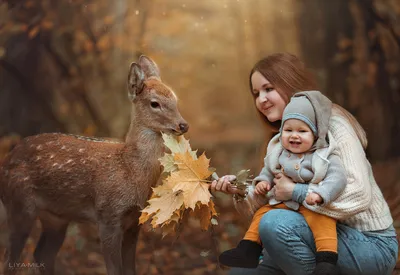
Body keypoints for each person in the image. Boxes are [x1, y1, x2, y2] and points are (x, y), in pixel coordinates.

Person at [211, 53, 398, 275]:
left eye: (268, 89)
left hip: (368, 244)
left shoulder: (334, 124)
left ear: (290, 83)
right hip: (309, 237)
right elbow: (272, 204)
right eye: (256, 93)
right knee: (240, 273)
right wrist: (241, 191)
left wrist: (297, 192)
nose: (261, 99)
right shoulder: (281, 140)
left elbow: (359, 194)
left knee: (274, 223)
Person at [219, 94, 346, 275]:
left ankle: (326, 260)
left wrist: (321, 194)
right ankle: (248, 249)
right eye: (288, 130)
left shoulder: (324, 156)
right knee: (262, 214)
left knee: (324, 222)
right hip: (284, 205)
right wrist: (263, 182)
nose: (294, 136)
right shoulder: (279, 153)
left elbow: (337, 178)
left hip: (312, 204)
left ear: (316, 134)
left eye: (302, 131)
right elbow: (268, 171)